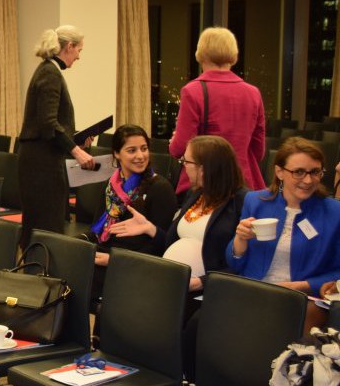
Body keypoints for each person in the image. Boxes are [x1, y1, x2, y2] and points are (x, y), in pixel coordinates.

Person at [110, 135, 248, 292]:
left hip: (208, 291)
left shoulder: (241, 201)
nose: (183, 167)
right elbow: (171, 242)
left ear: (204, 168)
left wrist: (202, 281)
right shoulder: (196, 194)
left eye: (186, 162)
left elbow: (243, 263)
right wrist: (150, 228)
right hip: (171, 280)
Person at [227, 137, 340, 299]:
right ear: (279, 172)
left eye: (315, 172)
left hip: (300, 298)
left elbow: (338, 273)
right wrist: (240, 240)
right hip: (251, 292)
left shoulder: (334, 212)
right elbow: (234, 264)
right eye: (299, 172)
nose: (308, 180)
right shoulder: (255, 201)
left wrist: (300, 287)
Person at [18, 25, 95, 249]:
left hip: (39, 159)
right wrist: (76, 151)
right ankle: (42, 276)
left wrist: (74, 140)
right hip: (41, 164)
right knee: (46, 226)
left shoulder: (46, 70)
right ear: (69, 47)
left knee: (40, 224)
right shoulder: (50, 73)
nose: (79, 56)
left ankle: (37, 273)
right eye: (79, 50)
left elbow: (49, 123)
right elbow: (47, 124)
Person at [85, 125, 176, 305]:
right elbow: (97, 230)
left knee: (80, 281)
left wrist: (116, 260)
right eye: (131, 150)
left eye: (144, 149)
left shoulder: (160, 188)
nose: (140, 156)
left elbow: (163, 244)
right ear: (117, 154)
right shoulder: (111, 186)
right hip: (108, 251)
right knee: (68, 266)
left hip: (138, 262)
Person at [169, 26, 266, 196]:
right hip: (243, 182)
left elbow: (180, 148)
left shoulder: (193, 91)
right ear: (234, 55)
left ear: (201, 54)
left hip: (205, 184)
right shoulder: (253, 93)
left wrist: (173, 143)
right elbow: (258, 151)